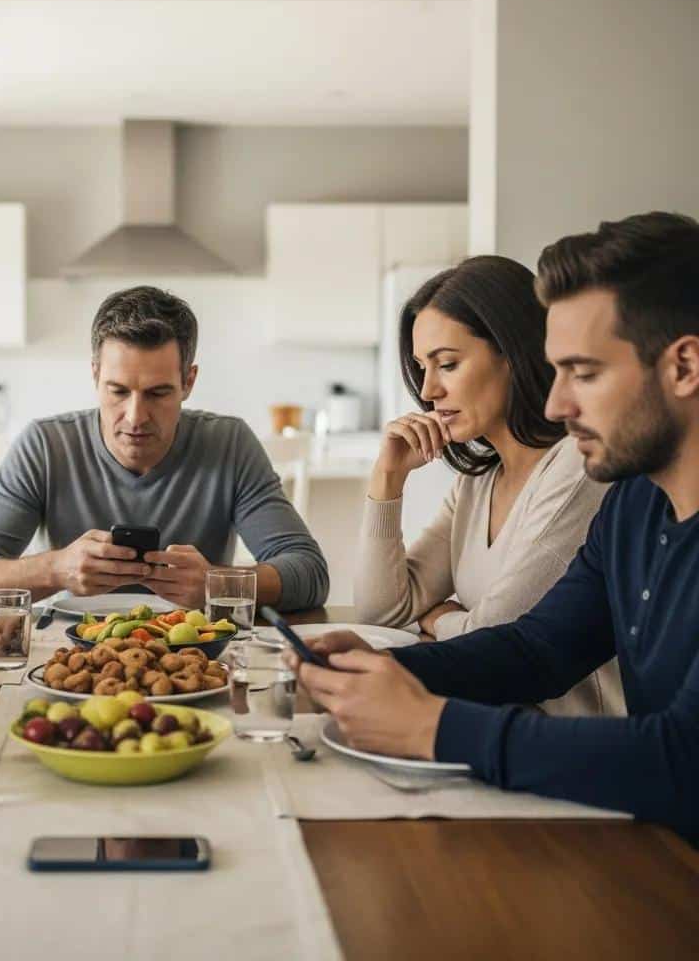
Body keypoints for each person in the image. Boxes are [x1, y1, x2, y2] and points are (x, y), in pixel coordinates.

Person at [290, 212, 699, 845]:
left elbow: (683, 760)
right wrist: (382, 668)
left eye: (584, 372)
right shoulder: (635, 503)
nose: (557, 403)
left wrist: (431, 726)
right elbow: (540, 649)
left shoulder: (602, 485)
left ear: (685, 366)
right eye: (556, 371)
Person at [356, 256, 621, 715]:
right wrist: (388, 479)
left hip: (575, 739)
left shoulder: (577, 470)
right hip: (501, 721)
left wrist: (440, 618)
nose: (428, 390)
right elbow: (381, 612)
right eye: (421, 367)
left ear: (513, 355)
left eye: (448, 364)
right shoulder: (477, 482)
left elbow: (497, 639)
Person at [0, 285, 328, 611]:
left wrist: (217, 584)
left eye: (158, 393)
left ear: (188, 381)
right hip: (66, 650)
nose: (135, 417)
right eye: (118, 391)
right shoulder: (45, 446)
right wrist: (55, 570)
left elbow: (309, 572)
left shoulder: (229, 444)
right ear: (95, 375)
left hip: (196, 651)